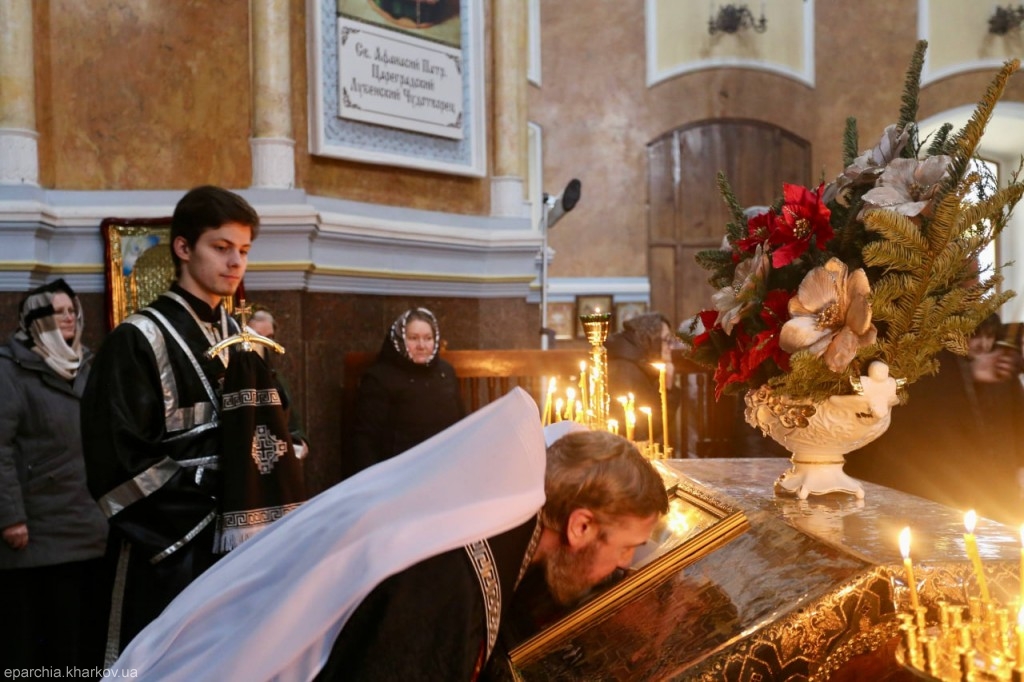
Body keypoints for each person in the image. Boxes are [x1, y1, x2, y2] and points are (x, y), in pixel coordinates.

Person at [110, 389, 669, 681]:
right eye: (626, 547)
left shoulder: (478, 528)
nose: (625, 566)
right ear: (580, 525)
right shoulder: (447, 583)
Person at [81, 185, 264, 660]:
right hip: (169, 552)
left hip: (241, 549)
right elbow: (118, 461)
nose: (235, 262)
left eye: (244, 250)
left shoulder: (244, 340)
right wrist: (213, 503)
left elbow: (281, 427)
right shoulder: (136, 339)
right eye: (221, 247)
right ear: (183, 247)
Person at [0, 279, 109, 669]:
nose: (67, 317)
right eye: (56, 311)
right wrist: (10, 517)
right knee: (42, 641)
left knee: (84, 637)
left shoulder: (86, 366)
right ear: (33, 319)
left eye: (71, 310)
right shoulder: (9, 370)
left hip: (89, 524)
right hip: (38, 530)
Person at [847, 313, 1024, 524]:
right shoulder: (929, 361)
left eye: (990, 337)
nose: (983, 344)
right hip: (925, 486)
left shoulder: (1000, 372)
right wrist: (969, 374)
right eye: (976, 336)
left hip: (983, 491)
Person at [349, 306, 464, 475]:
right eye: (413, 338)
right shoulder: (380, 378)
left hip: (445, 467)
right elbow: (365, 438)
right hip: (399, 472)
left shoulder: (445, 372)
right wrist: (374, 481)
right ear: (400, 339)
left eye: (428, 338)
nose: (421, 346)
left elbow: (461, 425)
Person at [605, 312, 681, 445]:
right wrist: (667, 389)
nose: (671, 347)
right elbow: (647, 429)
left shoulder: (636, 363)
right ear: (651, 339)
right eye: (666, 340)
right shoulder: (626, 370)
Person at [246, 304, 310, 459]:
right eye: (257, 336)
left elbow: (293, 424)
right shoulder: (236, 376)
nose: (265, 344)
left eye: (269, 338)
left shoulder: (276, 377)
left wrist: (300, 441)